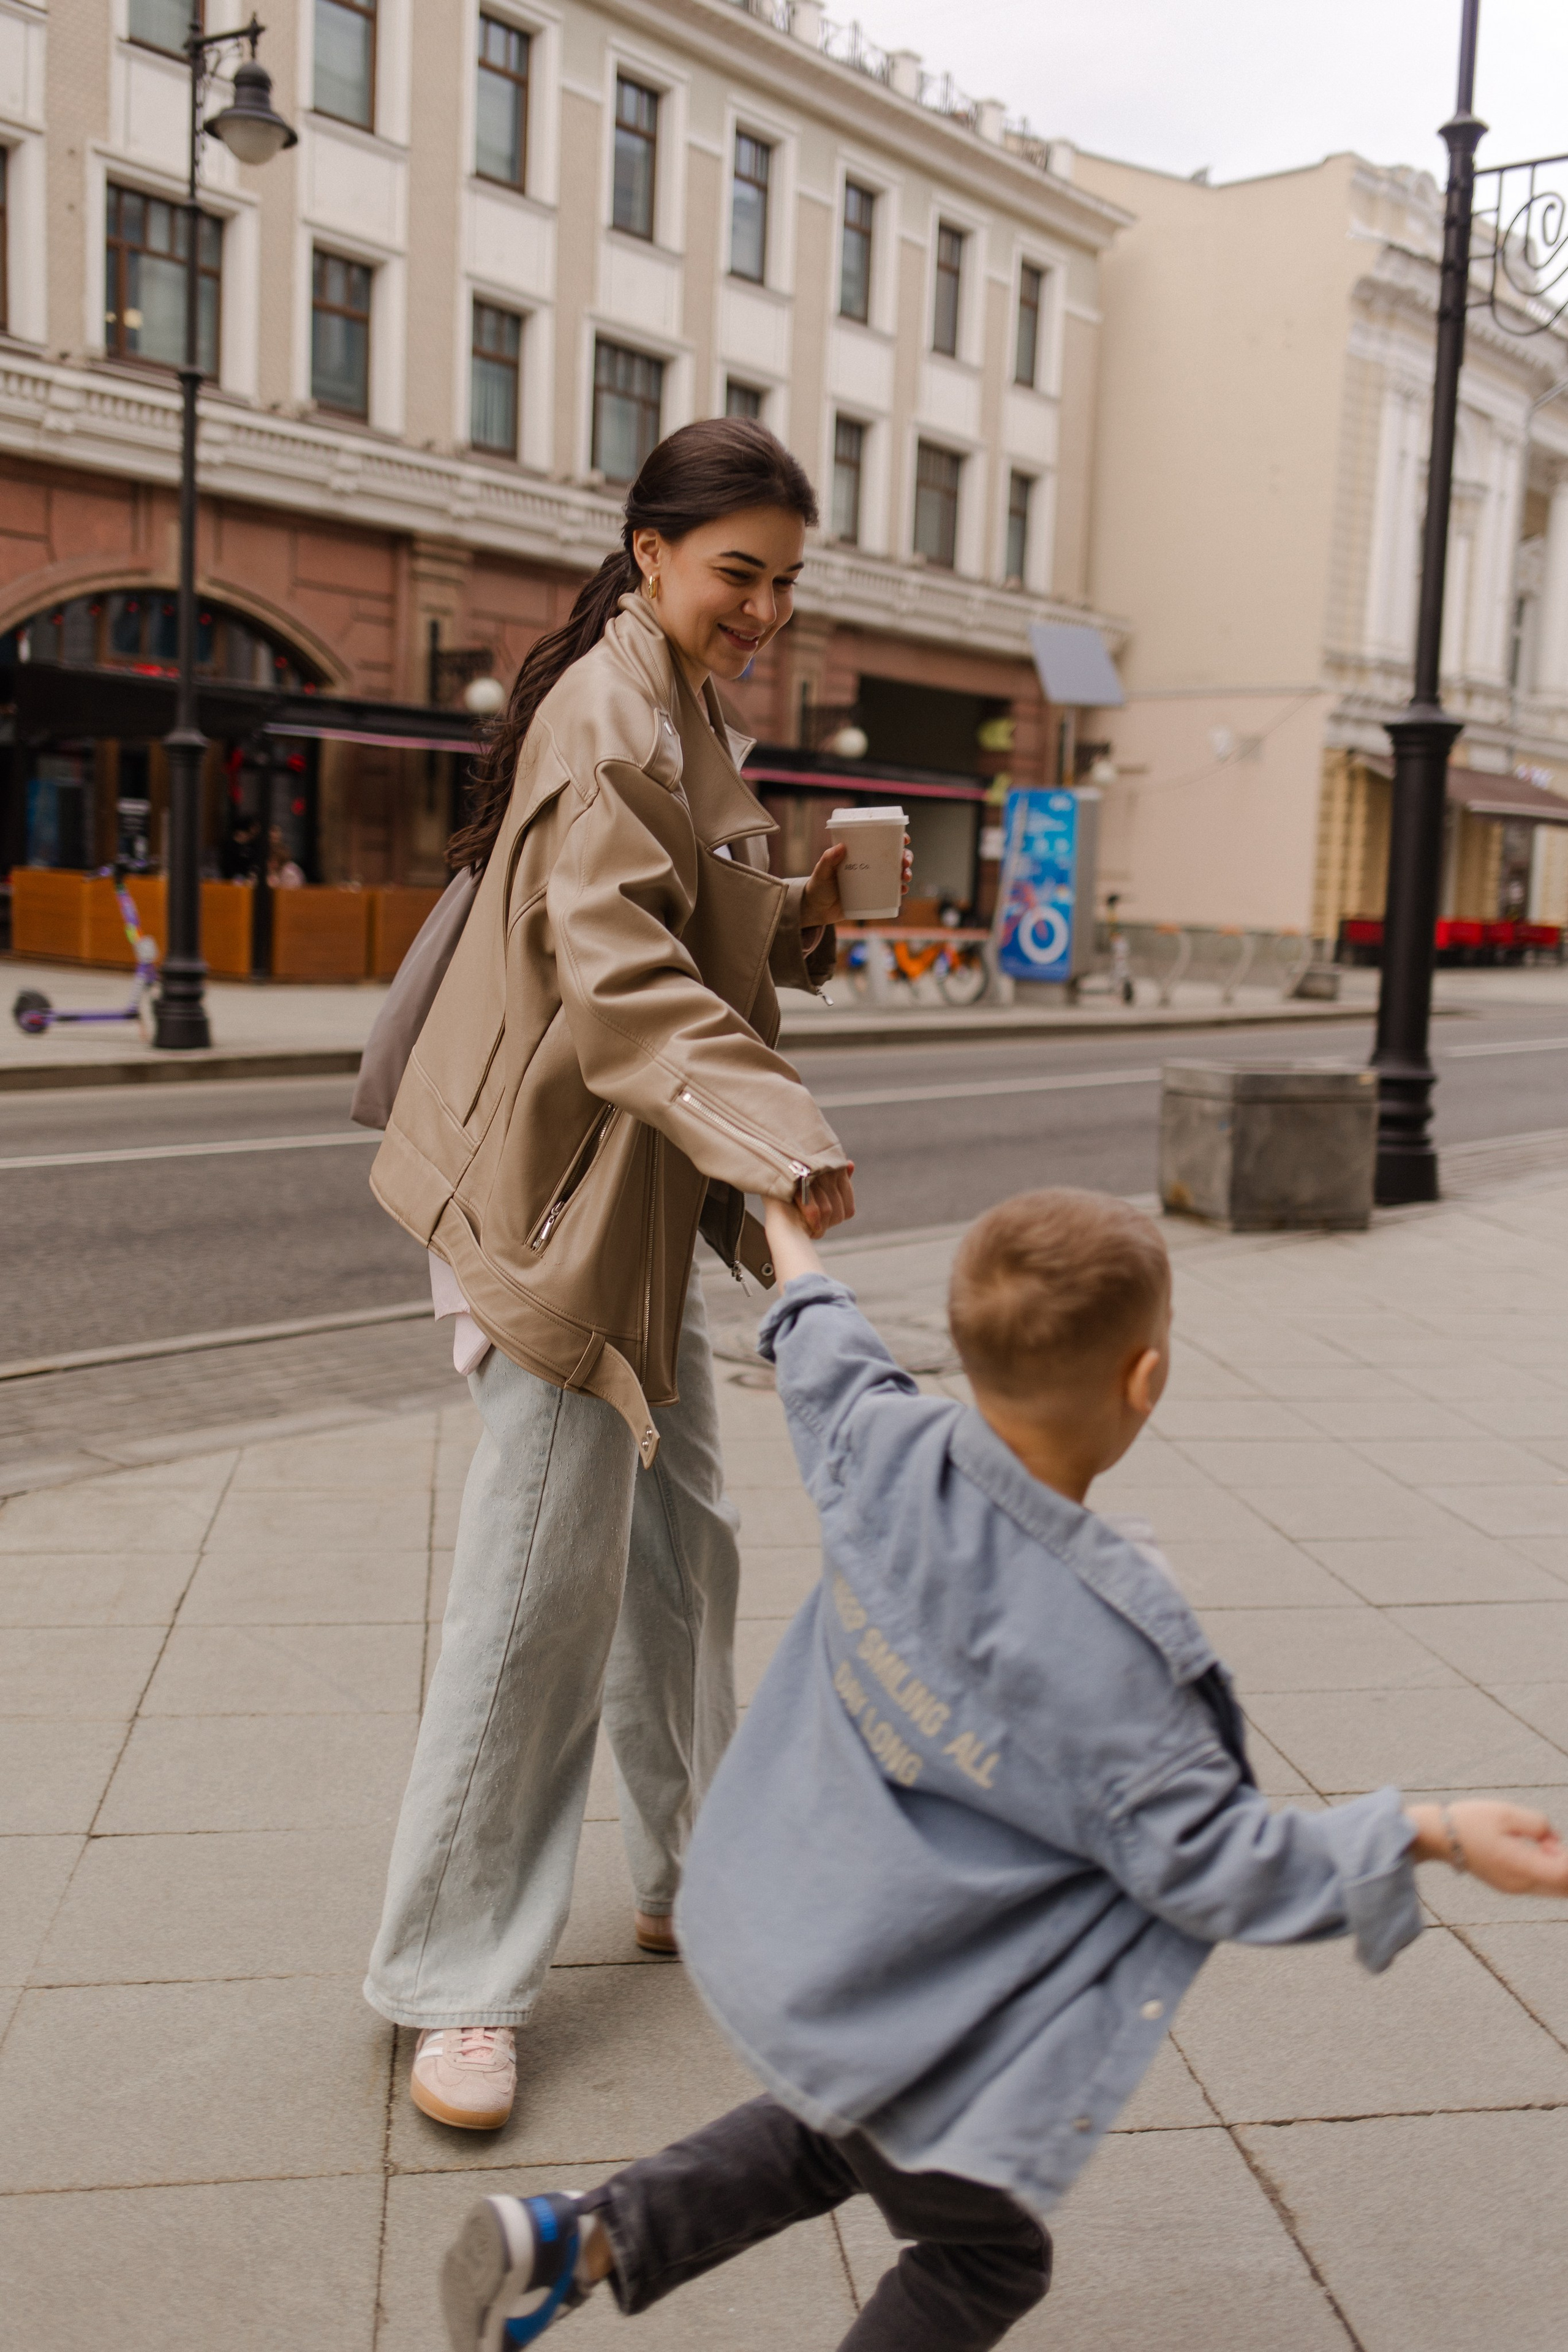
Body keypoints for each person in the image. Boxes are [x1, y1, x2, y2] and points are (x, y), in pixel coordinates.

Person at [437, 1185, 1568, 2351]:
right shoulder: (1115, 1653)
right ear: (1147, 1382)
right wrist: (1429, 1831)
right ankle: (592, 2241)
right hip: (940, 1999)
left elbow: (825, 1339)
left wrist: (784, 1220)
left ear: (967, 1351)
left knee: (834, 2130)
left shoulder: (883, 1450)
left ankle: (581, 2239)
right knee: (986, 2254)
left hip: (840, 1947)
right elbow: (1222, 1861)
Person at [363, 418, 903, 2135]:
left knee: (686, 1558)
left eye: (785, 580)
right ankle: (451, 1978)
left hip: (636, 1201)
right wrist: (779, 1129)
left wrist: (804, 911)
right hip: (558, 1213)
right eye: (738, 570)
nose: (763, 606)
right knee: (535, 1599)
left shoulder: (677, 699)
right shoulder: (609, 718)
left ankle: (694, 1872)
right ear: (654, 550)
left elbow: (688, 928)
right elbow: (617, 980)